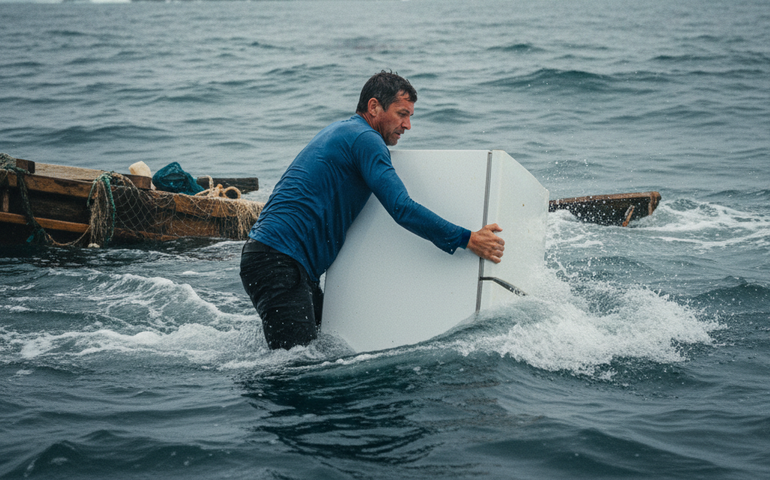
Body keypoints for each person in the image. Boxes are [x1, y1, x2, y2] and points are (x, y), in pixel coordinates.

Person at [240, 71, 505, 350]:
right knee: (293, 370)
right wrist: (468, 239)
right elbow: (402, 208)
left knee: (314, 349)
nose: (408, 125)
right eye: (402, 114)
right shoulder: (366, 139)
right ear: (374, 106)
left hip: (276, 259)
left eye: (411, 116)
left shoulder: (344, 131)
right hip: (279, 261)